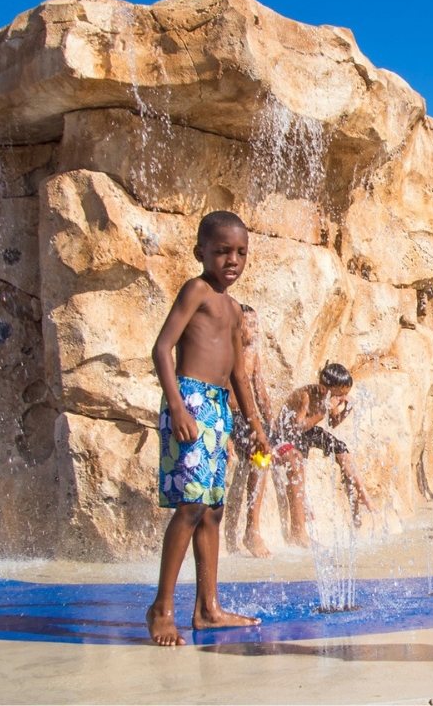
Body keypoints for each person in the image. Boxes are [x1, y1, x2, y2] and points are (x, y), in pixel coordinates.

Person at [147, 210, 270, 647]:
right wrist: (178, 406)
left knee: (212, 510)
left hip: (218, 408)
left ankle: (207, 609)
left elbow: (239, 375)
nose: (232, 260)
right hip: (191, 401)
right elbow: (162, 349)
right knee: (191, 506)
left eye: (240, 252)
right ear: (201, 252)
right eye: (221, 251)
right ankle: (162, 608)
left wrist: (255, 425)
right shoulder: (196, 290)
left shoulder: (235, 308)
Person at [277, 363, 377, 531]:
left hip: (309, 430)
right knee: (300, 454)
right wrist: (322, 411)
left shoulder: (331, 398)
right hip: (289, 433)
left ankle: (363, 493)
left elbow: (333, 422)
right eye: (340, 394)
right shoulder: (306, 396)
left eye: (345, 394)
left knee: (341, 448)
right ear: (324, 388)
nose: (342, 397)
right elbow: (298, 427)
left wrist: (346, 410)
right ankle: (304, 500)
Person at [227, 304, 276, 558]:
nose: (255, 330)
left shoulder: (252, 354)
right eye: (250, 324)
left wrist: (272, 423)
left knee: (263, 458)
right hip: (228, 417)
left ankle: (251, 528)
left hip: (247, 421)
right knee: (258, 456)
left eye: (257, 324)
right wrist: (225, 435)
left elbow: (260, 390)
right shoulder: (225, 350)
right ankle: (250, 530)